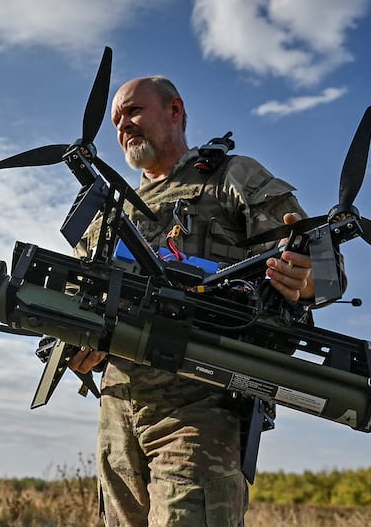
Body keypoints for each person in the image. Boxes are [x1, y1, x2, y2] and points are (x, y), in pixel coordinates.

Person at [69, 76, 316, 526]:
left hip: (203, 405)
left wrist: (303, 276)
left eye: (133, 111)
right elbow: (71, 293)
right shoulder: (111, 212)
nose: (123, 125)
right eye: (116, 120)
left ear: (175, 110)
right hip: (118, 410)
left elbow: (309, 260)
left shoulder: (230, 177)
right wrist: (72, 343)